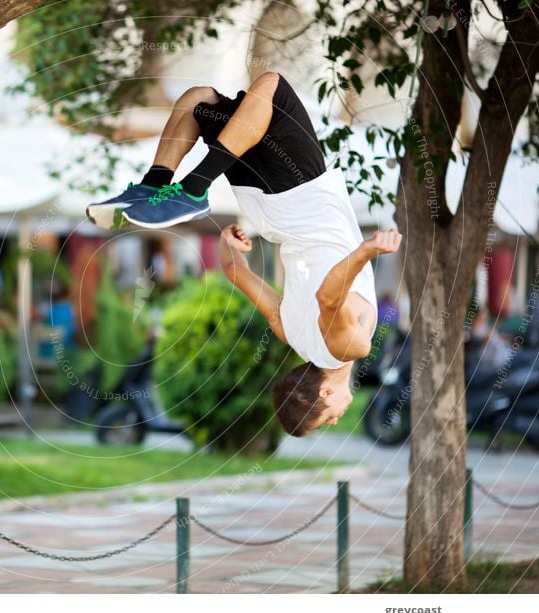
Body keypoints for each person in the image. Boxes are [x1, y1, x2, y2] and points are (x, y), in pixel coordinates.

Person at [87, 72, 403, 436]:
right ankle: (153, 186)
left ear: (326, 391)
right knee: (199, 98)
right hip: (265, 213)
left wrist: (366, 252)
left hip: (301, 194)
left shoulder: (350, 347)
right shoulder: (291, 335)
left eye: (327, 417)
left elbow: (328, 298)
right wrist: (228, 243)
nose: (336, 418)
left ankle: (192, 189)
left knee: (271, 86)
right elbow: (235, 272)